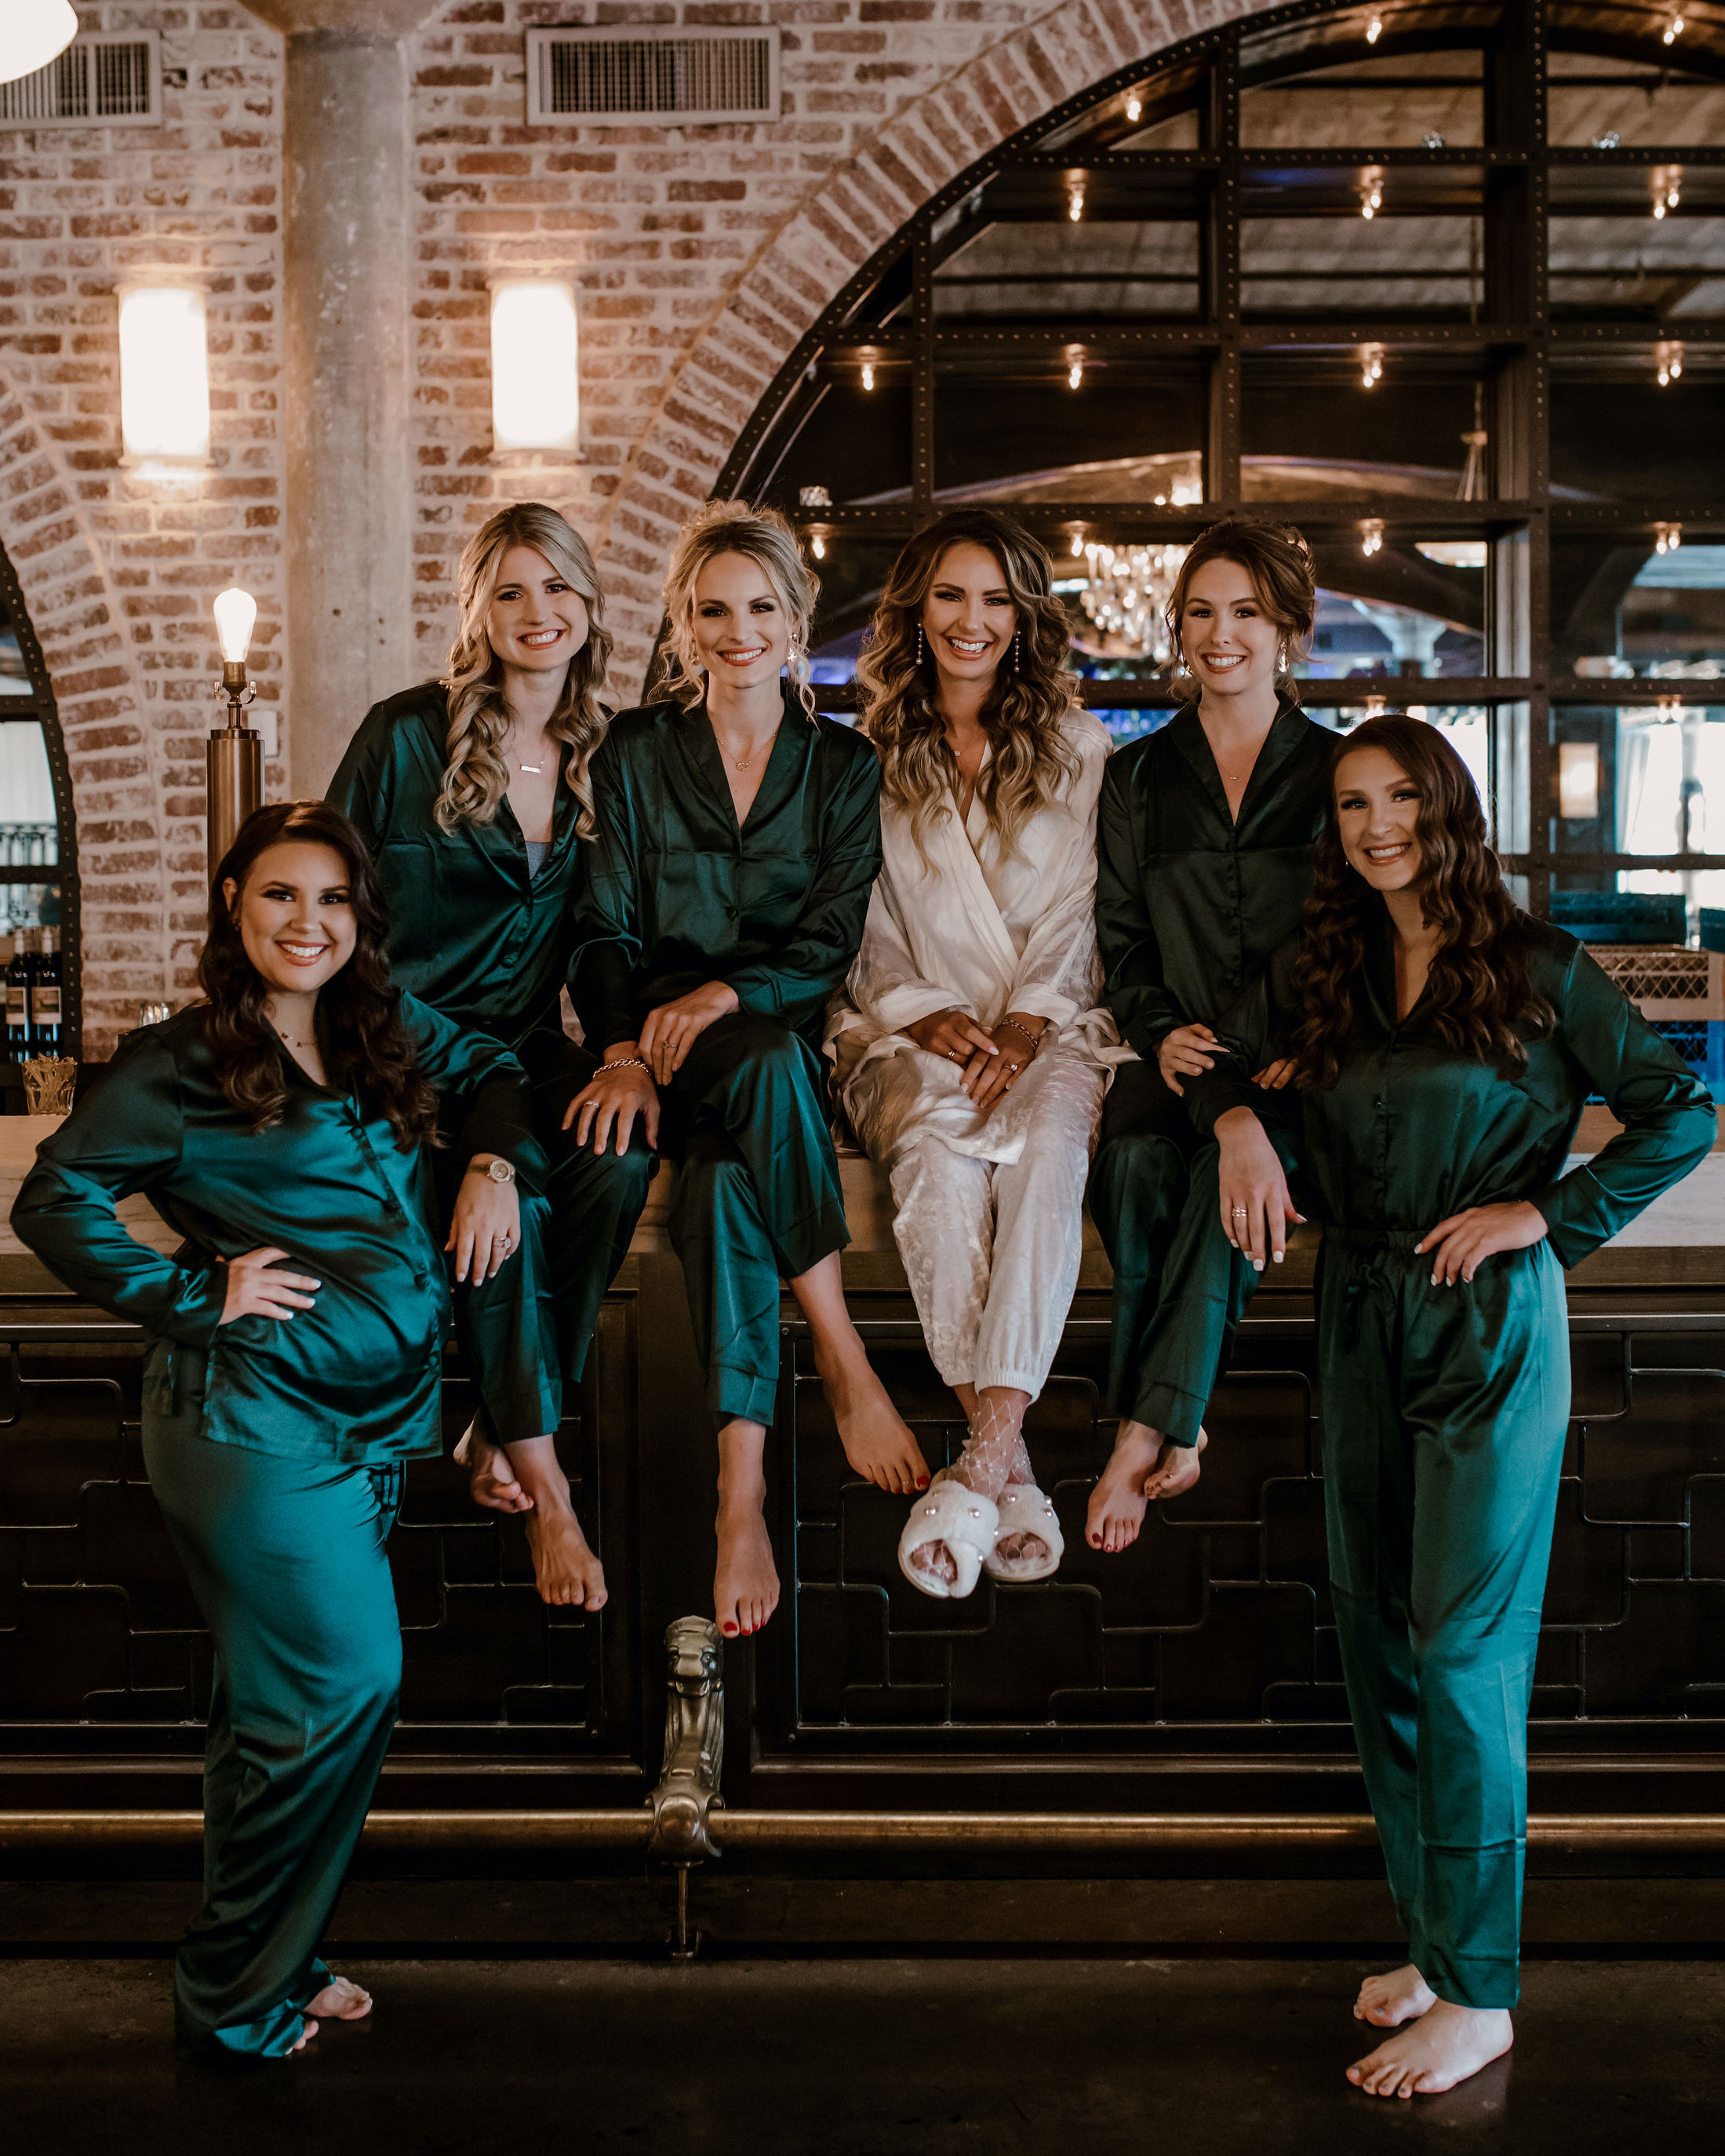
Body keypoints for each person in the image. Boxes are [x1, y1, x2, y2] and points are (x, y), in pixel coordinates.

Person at [1188, 714, 1714, 2098]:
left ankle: (1484, 1994)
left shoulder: (1539, 966)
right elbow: (1259, 1096)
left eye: (1400, 799)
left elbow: (1682, 1110)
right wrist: (1246, 1113)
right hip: (1355, 1314)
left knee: (1466, 1655)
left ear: (1448, 806)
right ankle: (1436, 1938)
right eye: (1353, 804)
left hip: (1486, 1326)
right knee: (1380, 1645)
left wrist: (1545, 1211)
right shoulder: (1335, 971)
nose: (1376, 827)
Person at [12, 802, 555, 2063]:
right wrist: (195, 1292)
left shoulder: (382, 1032)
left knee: (275, 1711)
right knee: (346, 1684)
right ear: (230, 900)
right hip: (249, 1427)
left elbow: (495, 1068)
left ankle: (270, 1960)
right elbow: (57, 1194)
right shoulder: (184, 1059)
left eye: (332, 902)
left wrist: (493, 1165)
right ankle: (229, 1989)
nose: (306, 924)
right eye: (278, 897)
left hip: (365, 1432)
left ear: (360, 920)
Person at [565, 500, 927, 1642]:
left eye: (761, 607)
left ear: (794, 618)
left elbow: (828, 941)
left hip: (768, 1049)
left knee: (727, 1185)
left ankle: (742, 1489)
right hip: (656, 1066)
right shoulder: (634, 751)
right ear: (681, 622)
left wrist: (728, 990)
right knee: (755, 1072)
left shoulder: (841, 766)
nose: (739, 630)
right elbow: (600, 928)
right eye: (713, 609)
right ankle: (843, 1353)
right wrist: (623, 1050)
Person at [329, 502, 652, 1609]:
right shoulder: (402, 734)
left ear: (588, 605)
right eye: (510, 589)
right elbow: (335, 923)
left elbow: (606, 935)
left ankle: (493, 1428)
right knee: (510, 1218)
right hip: (399, 1049)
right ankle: (550, 1494)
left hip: (521, 1052)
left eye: (557, 586)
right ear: (476, 609)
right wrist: (495, 1153)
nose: (537, 611)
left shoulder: (608, 755)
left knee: (617, 1151)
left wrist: (619, 1050)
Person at [831, 507, 1115, 1598]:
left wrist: (1026, 1023)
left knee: (1051, 1152)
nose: (973, 620)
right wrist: (923, 1012)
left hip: (1048, 1027)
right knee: (938, 1170)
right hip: (911, 1030)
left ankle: (985, 1455)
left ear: (1026, 617)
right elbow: (860, 919)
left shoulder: (1083, 752)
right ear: (915, 610)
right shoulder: (864, 759)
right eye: (951, 595)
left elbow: (1085, 913)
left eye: (997, 599)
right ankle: (1011, 1462)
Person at [1087, 518, 1333, 1554]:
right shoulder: (1136, 777)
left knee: (1201, 1180)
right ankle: (1172, 1420)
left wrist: (1317, 1042)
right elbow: (1121, 946)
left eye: (1246, 612)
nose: (1220, 634)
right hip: (1176, 1063)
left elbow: (1364, 931)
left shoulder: (1340, 769)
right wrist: (1159, 1032)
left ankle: (1146, 1423)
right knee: (1135, 1166)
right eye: (1200, 611)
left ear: (1287, 628)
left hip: (1301, 1067)